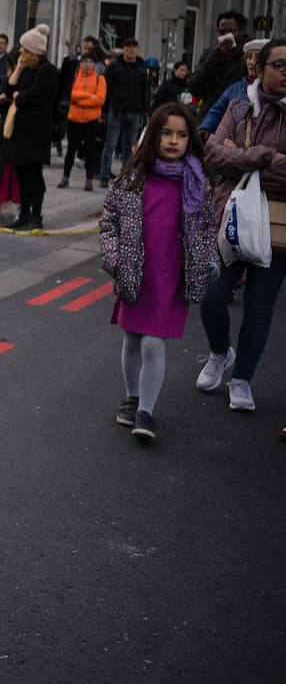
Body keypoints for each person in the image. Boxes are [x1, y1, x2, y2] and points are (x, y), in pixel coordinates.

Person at [99, 102, 216, 441]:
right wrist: (114, 257)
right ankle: (131, 397)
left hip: (172, 276)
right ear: (153, 135)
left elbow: (207, 227)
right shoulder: (132, 178)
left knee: (153, 343)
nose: (173, 141)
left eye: (181, 134)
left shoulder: (197, 182)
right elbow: (109, 222)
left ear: (190, 140)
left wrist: (209, 259)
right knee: (133, 338)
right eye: (166, 133)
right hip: (135, 272)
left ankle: (145, 412)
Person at [194, 37, 286, 413]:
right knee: (212, 295)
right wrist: (264, 157)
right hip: (230, 216)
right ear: (259, 68)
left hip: (278, 224)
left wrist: (240, 157)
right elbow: (212, 154)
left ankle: (242, 378)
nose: (285, 72)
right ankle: (220, 352)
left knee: (259, 307)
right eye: (279, 64)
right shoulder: (238, 105)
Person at [0, 25, 58, 231]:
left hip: (35, 133)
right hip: (20, 132)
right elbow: (11, 88)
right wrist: (19, 69)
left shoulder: (46, 70)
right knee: (21, 175)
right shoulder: (28, 68)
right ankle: (23, 214)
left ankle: (36, 216)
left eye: (23, 48)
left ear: (32, 50)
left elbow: (36, 96)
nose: (20, 51)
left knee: (33, 176)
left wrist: (18, 97)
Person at [100, 38, 149, 187]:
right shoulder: (115, 66)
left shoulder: (141, 68)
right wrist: (104, 111)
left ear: (137, 49)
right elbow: (106, 89)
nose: (131, 49)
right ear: (123, 49)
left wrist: (144, 112)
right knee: (110, 144)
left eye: (134, 46)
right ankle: (104, 175)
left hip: (134, 112)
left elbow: (145, 92)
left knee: (129, 148)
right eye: (128, 46)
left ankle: (126, 176)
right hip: (116, 110)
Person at [57, 51, 106, 191]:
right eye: (85, 61)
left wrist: (80, 101)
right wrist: (88, 96)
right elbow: (70, 95)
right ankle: (65, 177)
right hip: (74, 119)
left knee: (90, 151)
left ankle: (89, 180)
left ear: (95, 64)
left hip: (91, 120)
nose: (87, 64)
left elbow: (100, 99)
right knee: (71, 150)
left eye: (90, 62)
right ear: (81, 63)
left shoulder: (99, 79)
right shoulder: (74, 77)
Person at [198, 39, 267, 138]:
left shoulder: (272, 90)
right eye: (249, 57)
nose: (252, 62)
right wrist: (205, 127)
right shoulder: (234, 89)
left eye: (257, 57)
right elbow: (217, 112)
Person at [0, 49, 23, 226]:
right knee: (1, 170)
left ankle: (19, 209)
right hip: (6, 130)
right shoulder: (8, 79)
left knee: (17, 172)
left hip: (21, 130)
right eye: (14, 62)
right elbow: (1, 106)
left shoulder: (28, 78)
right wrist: (3, 102)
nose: (16, 65)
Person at [189, 10, 249, 118]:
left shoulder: (249, 55)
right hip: (210, 115)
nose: (227, 36)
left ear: (242, 31)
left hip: (237, 117)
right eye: (222, 32)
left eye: (231, 31)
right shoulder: (210, 53)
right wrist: (215, 57)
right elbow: (195, 87)